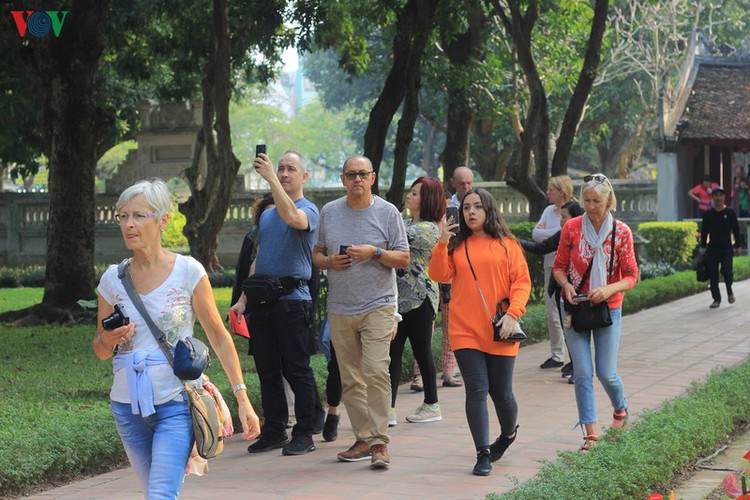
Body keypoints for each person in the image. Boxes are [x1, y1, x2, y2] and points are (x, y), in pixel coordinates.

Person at [94, 178, 260, 498]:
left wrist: (243, 398)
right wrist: (109, 339)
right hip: (127, 406)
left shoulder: (188, 271)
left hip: (176, 401)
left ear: (163, 220)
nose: (129, 224)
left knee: (160, 495)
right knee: (153, 492)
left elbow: (219, 337)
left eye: (139, 215)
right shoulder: (112, 279)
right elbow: (100, 350)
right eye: (123, 216)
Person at [312, 155, 409, 468]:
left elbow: (404, 258)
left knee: (376, 370)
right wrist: (329, 262)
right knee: (351, 378)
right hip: (340, 307)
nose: (357, 179)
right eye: (351, 174)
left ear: (372, 178)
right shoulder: (330, 212)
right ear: (343, 179)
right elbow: (317, 254)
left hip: (378, 304)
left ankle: (380, 442)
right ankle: (363, 438)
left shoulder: (387, 212)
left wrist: (375, 252)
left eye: (362, 174)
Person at [428, 188, 531, 477]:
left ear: (489, 210)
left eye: (477, 207)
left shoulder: (508, 245)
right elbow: (439, 274)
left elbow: (521, 283)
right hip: (465, 331)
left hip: (501, 329)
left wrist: (513, 314)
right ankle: (482, 452)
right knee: (476, 390)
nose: (471, 212)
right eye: (466, 208)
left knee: (502, 393)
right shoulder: (457, 245)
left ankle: (508, 434)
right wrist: (441, 242)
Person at [231, 150, 320, 456]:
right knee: (267, 370)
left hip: (294, 302)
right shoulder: (267, 216)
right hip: (262, 304)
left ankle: (306, 431)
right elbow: (258, 262)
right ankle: (274, 430)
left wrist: (269, 180)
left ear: (303, 176)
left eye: (290, 169)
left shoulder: (308, 209)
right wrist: (243, 299)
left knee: (297, 369)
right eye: (279, 169)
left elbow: (294, 218)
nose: (283, 173)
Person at [553, 173, 639, 453]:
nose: (590, 207)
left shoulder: (621, 232)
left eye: (597, 201)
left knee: (606, 373)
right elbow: (559, 266)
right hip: (576, 308)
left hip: (608, 308)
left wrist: (608, 290)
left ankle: (620, 408)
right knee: (582, 372)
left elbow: (631, 276)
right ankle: (590, 434)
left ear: (609, 200)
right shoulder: (572, 228)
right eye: (586, 200)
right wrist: (565, 285)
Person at [389, 177, 445, 426]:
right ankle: (387, 409)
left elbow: (393, 238)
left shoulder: (429, 228)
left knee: (422, 352)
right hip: (397, 299)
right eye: (410, 192)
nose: (409, 196)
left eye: (415, 193)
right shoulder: (404, 221)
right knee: (392, 354)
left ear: (427, 199)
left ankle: (432, 404)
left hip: (420, 298)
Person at [521, 200, 584, 382]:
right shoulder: (563, 234)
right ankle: (573, 364)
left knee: (576, 329)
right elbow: (542, 247)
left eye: (564, 217)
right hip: (561, 289)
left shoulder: (585, 236)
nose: (561, 222)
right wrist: (516, 241)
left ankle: (578, 368)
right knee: (567, 327)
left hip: (578, 291)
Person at [532, 175, 575, 372]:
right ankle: (557, 355)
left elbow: (567, 232)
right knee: (552, 313)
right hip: (550, 264)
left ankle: (574, 357)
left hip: (568, 269)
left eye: (551, 189)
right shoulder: (549, 211)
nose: (547, 192)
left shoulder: (573, 210)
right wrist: (556, 232)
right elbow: (535, 235)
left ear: (561, 191)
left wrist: (548, 233)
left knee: (568, 313)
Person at [700, 186, 742, 308]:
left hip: (726, 248)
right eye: (716, 195)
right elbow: (704, 232)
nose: (718, 198)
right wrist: (703, 247)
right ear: (712, 197)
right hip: (712, 248)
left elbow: (736, 230)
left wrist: (738, 246)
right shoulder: (708, 214)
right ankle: (716, 299)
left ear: (724, 197)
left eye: (721, 195)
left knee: (727, 271)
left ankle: (729, 291)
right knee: (713, 274)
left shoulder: (730, 213)